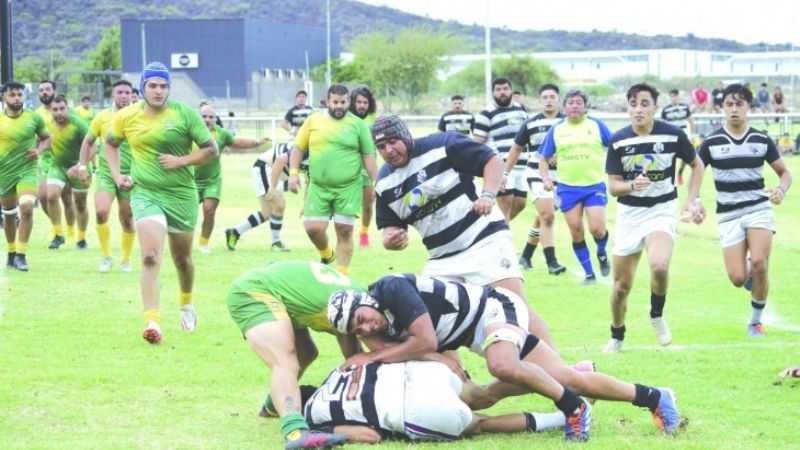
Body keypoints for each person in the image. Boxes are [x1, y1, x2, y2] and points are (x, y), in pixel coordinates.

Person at [328, 276, 682, 442]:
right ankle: (655, 397)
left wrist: (373, 358)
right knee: (553, 380)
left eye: (362, 317)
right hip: (473, 334)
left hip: (493, 309)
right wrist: (441, 361)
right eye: (358, 330)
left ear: (365, 301)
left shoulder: (390, 288)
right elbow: (414, 351)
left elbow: (425, 339)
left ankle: (575, 410)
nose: (366, 326)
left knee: (502, 365)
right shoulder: (373, 331)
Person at [371, 114, 555, 348]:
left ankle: (561, 372)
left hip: (483, 239)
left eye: (393, 141)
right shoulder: (384, 183)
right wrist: (391, 239)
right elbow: (390, 227)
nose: (388, 150)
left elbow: (492, 160)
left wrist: (487, 195)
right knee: (431, 321)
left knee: (515, 305)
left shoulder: (442, 145)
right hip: (441, 258)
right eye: (381, 146)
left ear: (405, 134)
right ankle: (460, 381)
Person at [105, 62, 219, 343]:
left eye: (164, 86)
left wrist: (181, 160)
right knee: (150, 256)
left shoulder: (184, 114)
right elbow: (110, 143)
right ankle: (152, 321)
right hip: (146, 192)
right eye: (153, 85)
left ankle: (186, 303)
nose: (158, 91)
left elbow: (211, 150)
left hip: (181, 194)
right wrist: (118, 175)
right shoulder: (126, 117)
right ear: (142, 88)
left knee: (182, 259)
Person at [603, 83, 706, 353]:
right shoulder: (618, 139)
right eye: (633, 104)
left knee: (659, 265)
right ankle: (617, 334)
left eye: (644, 103)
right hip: (629, 214)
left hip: (661, 210)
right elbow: (613, 186)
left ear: (654, 108)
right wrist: (630, 185)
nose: (638, 109)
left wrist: (691, 200)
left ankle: (656, 314)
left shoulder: (673, 135)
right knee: (621, 287)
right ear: (628, 108)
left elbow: (697, 165)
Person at [227, 260, 364, 449]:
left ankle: (273, 407)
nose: (369, 328)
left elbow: (355, 356)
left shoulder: (357, 305)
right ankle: (295, 433)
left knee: (306, 353)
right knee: (285, 360)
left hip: (286, 293)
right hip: (254, 291)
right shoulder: (361, 310)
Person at [697, 83, 792, 337]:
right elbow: (697, 170)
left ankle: (755, 322)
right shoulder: (712, 142)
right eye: (729, 104)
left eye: (739, 104)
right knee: (739, 278)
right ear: (722, 108)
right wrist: (694, 201)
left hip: (758, 208)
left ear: (749, 107)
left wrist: (781, 190)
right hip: (728, 214)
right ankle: (750, 272)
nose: (734, 109)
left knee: (760, 263)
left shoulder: (761, 139)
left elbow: (785, 173)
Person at [304, 360, 565, 443]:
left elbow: (369, 436)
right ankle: (567, 384)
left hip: (416, 407)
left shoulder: (313, 415)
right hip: (425, 372)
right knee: (483, 394)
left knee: (482, 425)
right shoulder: (336, 371)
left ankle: (563, 418)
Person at [288, 84, 378, 275]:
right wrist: (294, 173)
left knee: (344, 229)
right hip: (319, 186)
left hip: (348, 187)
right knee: (313, 228)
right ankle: (327, 254)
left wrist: (376, 182)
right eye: (335, 102)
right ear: (328, 101)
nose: (339, 106)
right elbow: (298, 148)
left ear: (348, 102)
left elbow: (369, 156)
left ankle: (341, 276)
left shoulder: (357, 125)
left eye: (343, 102)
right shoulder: (313, 121)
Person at [539, 89, 612, 284]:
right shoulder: (557, 130)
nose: (575, 106)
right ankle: (589, 274)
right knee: (576, 230)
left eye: (579, 102)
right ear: (565, 106)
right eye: (571, 102)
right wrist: (546, 178)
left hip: (594, 184)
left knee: (597, 229)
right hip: (567, 188)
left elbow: (615, 147)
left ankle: (602, 253)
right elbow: (543, 158)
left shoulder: (596, 126)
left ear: (585, 106)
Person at [73, 80, 136, 272]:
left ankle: (126, 260)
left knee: (127, 218)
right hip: (107, 173)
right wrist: (82, 166)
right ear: (112, 96)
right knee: (101, 212)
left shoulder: (139, 117)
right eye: (120, 92)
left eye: (127, 92)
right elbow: (88, 142)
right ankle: (106, 256)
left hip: (131, 175)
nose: (124, 96)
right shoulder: (102, 117)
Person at [504, 83, 566, 274]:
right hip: (536, 174)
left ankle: (526, 255)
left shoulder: (568, 124)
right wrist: (505, 173)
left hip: (563, 177)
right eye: (545, 97)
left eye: (552, 97)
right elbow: (516, 149)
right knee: (547, 215)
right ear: (540, 101)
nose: (548, 100)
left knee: (542, 218)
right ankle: (552, 263)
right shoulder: (530, 123)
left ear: (558, 100)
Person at [195, 103, 270, 254]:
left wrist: (256, 142)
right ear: (198, 117)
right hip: (189, 181)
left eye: (211, 117)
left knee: (209, 211)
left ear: (215, 119)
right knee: (187, 215)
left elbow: (239, 142)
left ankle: (203, 243)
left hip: (212, 181)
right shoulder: (189, 132)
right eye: (204, 116)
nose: (207, 120)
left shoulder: (221, 134)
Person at [0, 81, 51, 271]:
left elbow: (47, 139)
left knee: (27, 208)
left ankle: (21, 255)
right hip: (4, 173)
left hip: (27, 171)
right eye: (12, 95)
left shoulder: (34, 118)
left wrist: (39, 151)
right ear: (3, 97)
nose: (17, 98)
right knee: (10, 215)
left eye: (20, 95)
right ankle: (11, 251)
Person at [225, 139, 307, 252]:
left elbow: (310, 180)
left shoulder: (318, 155)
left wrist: (306, 204)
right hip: (265, 166)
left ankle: (235, 232)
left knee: (268, 213)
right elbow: (280, 160)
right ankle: (276, 243)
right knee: (279, 205)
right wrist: (272, 188)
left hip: (272, 170)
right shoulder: (306, 148)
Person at [474, 77, 530, 221]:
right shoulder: (486, 113)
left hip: (521, 166)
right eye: (498, 90)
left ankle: (495, 227)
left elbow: (527, 135)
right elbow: (477, 143)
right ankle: (502, 235)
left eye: (505, 89)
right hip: (500, 166)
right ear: (493, 93)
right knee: (505, 206)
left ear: (511, 90)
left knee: (521, 204)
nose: (502, 92)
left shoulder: (521, 109)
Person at [43, 96, 91, 250]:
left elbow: (94, 147)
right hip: (57, 165)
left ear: (67, 108)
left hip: (79, 166)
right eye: (55, 109)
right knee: (50, 197)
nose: (59, 112)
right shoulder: (47, 126)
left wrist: (80, 165)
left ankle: (82, 238)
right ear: (51, 110)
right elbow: (41, 141)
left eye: (62, 108)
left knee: (80, 204)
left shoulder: (78, 124)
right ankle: (58, 235)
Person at [36, 80, 76, 244]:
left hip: (63, 160)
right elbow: (34, 138)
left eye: (47, 89)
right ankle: (57, 231)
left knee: (66, 198)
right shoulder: (36, 114)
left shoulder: (66, 112)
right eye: (41, 90)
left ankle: (72, 232)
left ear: (54, 91)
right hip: (45, 161)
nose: (44, 92)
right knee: (45, 196)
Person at [348, 86, 378, 248]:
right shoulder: (347, 118)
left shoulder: (374, 120)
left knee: (367, 204)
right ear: (353, 102)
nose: (362, 105)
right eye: (359, 102)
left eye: (365, 102)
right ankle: (346, 233)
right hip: (349, 168)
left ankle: (364, 232)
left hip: (367, 168)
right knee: (347, 205)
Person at [661, 89, 694, 186]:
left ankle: (680, 172)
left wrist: (691, 135)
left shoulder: (684, 107)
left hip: (684, 134)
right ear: (669, 97)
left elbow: (691, 121)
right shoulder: (666, 110)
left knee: (687, 155)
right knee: (671, 156)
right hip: (671, 136)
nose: (673, 98)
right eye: (671, 96)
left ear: (678, 97)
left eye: (675, 96)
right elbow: (663, 125)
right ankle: (671, 176)